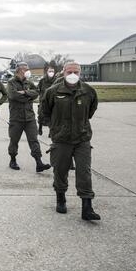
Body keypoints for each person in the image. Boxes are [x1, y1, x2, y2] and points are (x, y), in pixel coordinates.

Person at [40, 61, 101, 220]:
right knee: (60, 170)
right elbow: (44, 112)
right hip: (61, 139)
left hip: (82, 138)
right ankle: (61, 198)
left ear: (80, 73)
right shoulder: (53, 91)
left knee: (84, 172)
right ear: (64, 72)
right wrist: (55, 127)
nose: (73, 75)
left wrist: (79, 125)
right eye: (69, 72)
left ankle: (87, 207)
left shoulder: (88, 91)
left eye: (76, 72)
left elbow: (91, 110)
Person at [6, 62, 51, 172]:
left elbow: (37, 92)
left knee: (34, 140)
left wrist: (25, 92)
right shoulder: (11, 82)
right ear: (20, 70)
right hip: (16, 118)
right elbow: (13, 95)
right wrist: (28, 97)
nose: (28, 70)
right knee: (14, 141)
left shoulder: (28, 82)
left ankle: (39, 162)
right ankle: (12, 159)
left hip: (29, 117)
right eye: (26, 69)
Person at [37, 65, 57, 135]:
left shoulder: (56, 81)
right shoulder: (42, 81)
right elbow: (38, 89)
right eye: (50, 71)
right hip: (43, 101)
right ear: (47, 72)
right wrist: (41, 97)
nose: (51, 72)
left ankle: (50, 132)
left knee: (52, 117)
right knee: (41, 116)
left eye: (52, 71)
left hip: (53, 102)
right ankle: (39, 128)